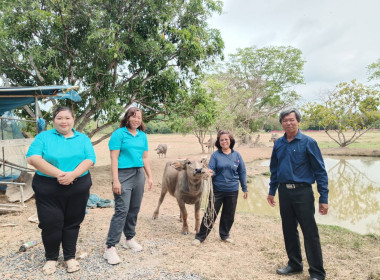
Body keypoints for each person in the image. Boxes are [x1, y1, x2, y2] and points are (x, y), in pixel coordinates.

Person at [26, 107, 96, 275]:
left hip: (78, 185)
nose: (63, 121)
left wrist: (73, 175)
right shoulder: (44, 137)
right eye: (59, 118)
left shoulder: (82, 138)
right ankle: (51, 258)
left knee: (72, 222)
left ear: (73, 120)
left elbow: (90, 159)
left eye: (67, 118)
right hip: (48, 187)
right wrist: (59, 174)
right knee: (51, 223)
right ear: (54, 120)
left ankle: (69, 257)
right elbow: (32, 158)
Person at [267, 108, 329, 280]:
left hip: (303, 192)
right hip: (284, 192)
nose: (288, 123)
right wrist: (272, 191)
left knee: (310, 232)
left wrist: (323, 198)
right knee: (288, 229)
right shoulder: (278, 143)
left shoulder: (309, 142)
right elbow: (275, 169)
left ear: (298, 121)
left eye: (292, 120)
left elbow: (320, 172)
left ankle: (317, 272)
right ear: (281, 123)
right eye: (285, 120)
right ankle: (295, 264)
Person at [103, 107, 153, 265]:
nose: (136, 120)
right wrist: (116, 180)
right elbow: (114, 159)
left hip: (139, 174)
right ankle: (110, 248)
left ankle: (129, 238)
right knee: (121, 210)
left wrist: (150, 176)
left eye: (139, 117)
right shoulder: (119, 134)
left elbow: (145, 158)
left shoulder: (142, 136)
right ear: (127, 118)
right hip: (123, 174)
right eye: (133, 117)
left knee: (134, 208)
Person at [193, 130, 248, 245]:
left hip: (233, 190)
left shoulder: (237, 155)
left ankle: (225, 235)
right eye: (221, 140)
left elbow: (242, 171)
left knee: (229, 215)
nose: (224, 141)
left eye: (226, 139)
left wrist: (244, 188)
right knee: (210, 213)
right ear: (218, 142)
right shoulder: (215, 155)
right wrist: (207, 172)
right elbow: (211, 170)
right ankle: (200, 237)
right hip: (217, 190)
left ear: (230, 140)